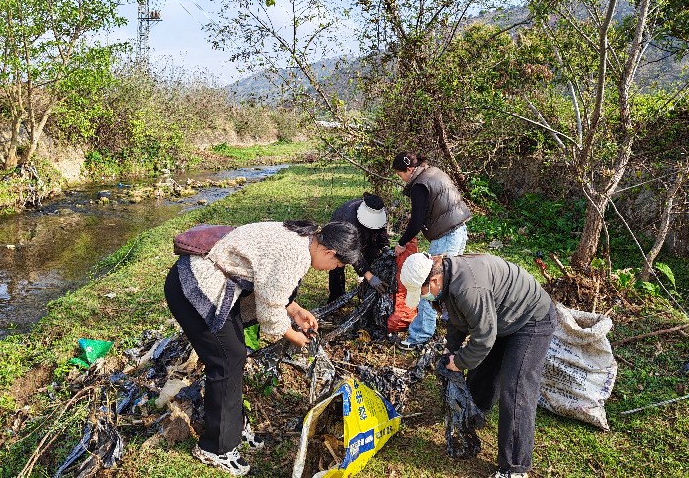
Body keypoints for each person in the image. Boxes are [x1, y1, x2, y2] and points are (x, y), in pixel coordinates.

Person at [164, 220, 360, 476]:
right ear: (329, 252)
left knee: (234, 354)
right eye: (337, 265)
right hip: (194, 287)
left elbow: (271, 285)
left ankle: (232, 427)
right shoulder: (295, 253)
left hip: (213, 282)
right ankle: (216, 447)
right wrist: (294, 335)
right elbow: (269, 314)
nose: (332, 269)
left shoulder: (305, 237)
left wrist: (296, 311)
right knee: (227, 359)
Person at [399, 251, 556, 478]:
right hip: (501, 318)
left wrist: (459, 362)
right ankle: (473, 416)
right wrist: (451, 348)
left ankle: (513, 469)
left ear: (433, 280)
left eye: (422, 292)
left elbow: (483, 338)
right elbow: (458, 318)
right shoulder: (447, 274)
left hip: (531, 318)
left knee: (516, 389)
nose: (424, 297)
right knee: (482, 371)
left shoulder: (468, 288)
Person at [392, 151, 470, 349]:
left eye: (400, 174)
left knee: (426, 282)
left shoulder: (419, 185)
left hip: (446, 235)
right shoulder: (432, 172)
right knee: (449, 281)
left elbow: (416, 221)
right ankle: (452, 322)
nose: (401, 179)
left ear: (409, 169)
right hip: (458, 229)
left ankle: (420, 334)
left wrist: (402, 243)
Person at [327, 192, 390, 303]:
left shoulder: (380, 211)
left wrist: (385, 247)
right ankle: (337, 298)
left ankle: (367, 294)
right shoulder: (348, 220)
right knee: (336, 264)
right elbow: (353, 252)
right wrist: (368, 275)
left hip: (366, 235)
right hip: (339, 235)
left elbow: (381, 231)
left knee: (374, 258)